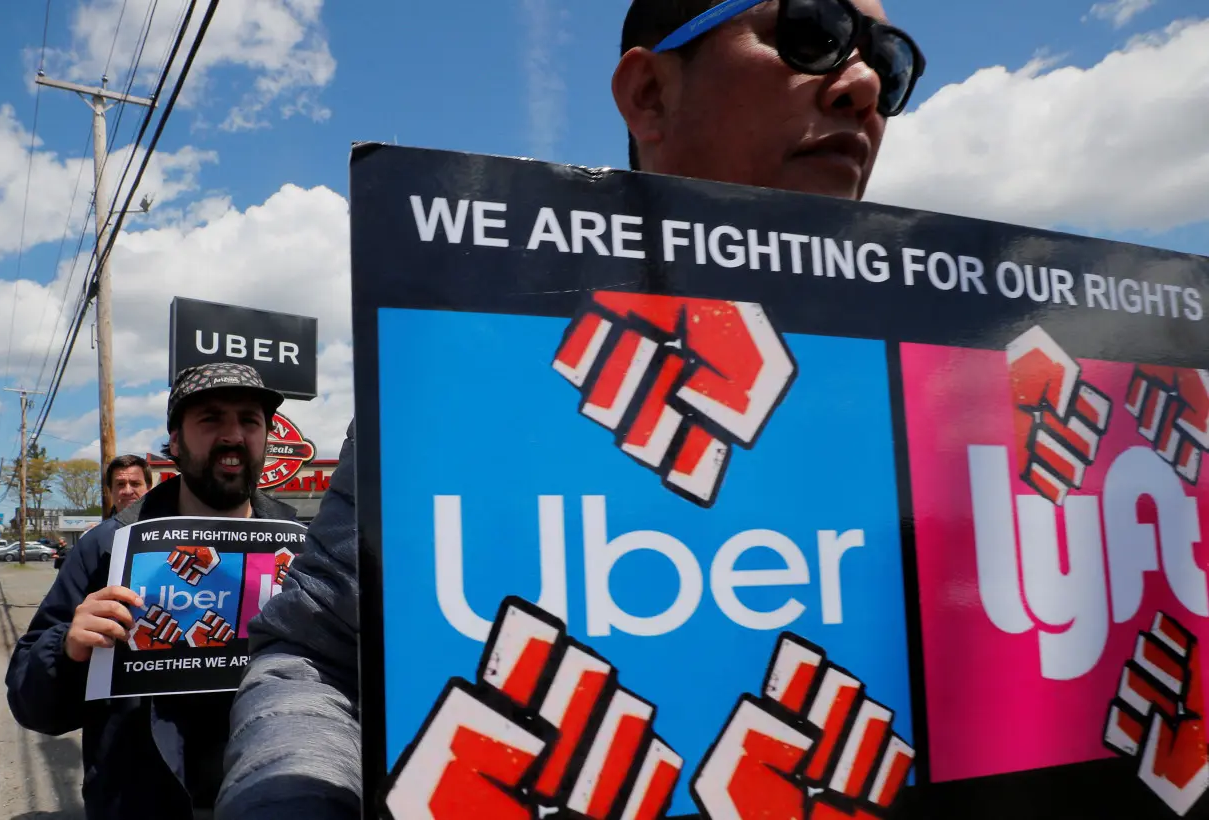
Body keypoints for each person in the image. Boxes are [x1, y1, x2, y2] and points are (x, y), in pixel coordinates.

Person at [216, 0, 925, 817]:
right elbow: (313, 658)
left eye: (893, 60)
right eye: (814, 31)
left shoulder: (945, 387)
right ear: (648, 95)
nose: (864, 86)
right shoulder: (457, 375)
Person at [6, 363, 299, 820]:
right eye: (211, 419)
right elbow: (32, 706)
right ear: (176, 442)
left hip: (267, 799)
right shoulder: (108, 547)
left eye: (249, 420)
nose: (233, 435)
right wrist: (66, 650)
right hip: (139, 801)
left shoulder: (298, 547)